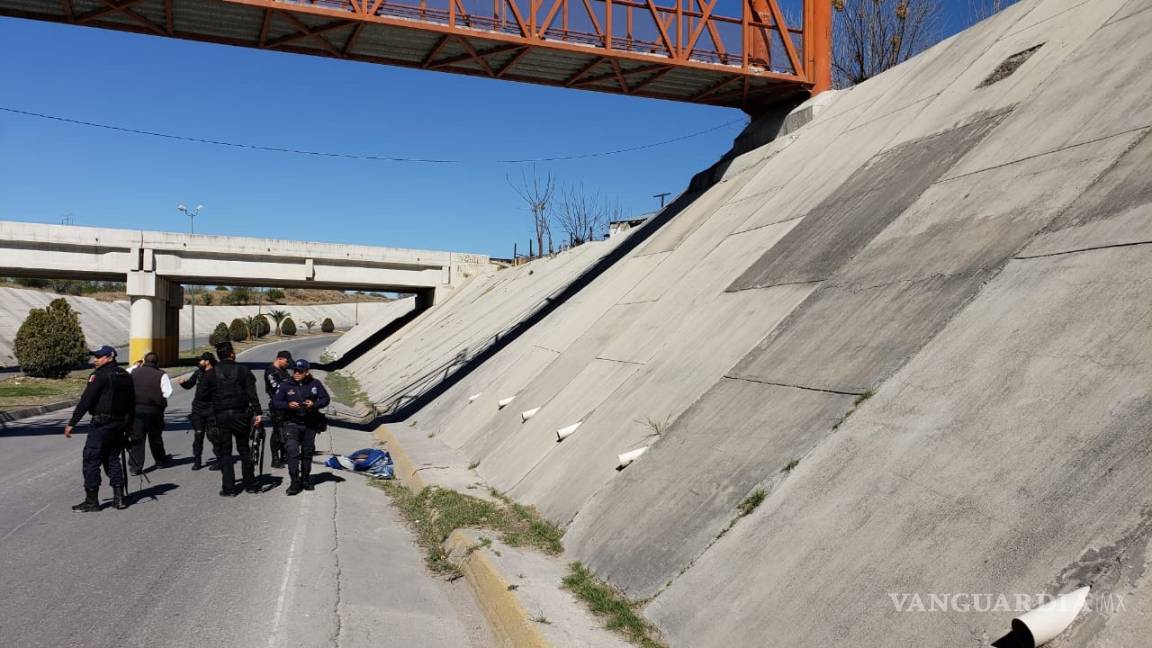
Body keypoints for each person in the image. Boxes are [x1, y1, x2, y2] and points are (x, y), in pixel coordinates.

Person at [64, 345, 135, 512]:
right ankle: (119, 498)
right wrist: (129, 427)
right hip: (119, 424)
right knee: (112, 458)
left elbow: (86, 400)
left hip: (101, 424)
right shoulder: (125, 375)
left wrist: (72, 423)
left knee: (91, 460)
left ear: (110, 357)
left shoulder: (99, 375)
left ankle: (91, 501)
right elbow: (132, 403)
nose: (95, 359)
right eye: (95, 356)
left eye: (99, 356)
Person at [271, 359, 330, 496]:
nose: (296, 373)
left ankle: (305, 479)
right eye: (295, 371)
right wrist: (288, 405)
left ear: (306, 372)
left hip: (310, 424)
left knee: (307, 452)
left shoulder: (315, 384)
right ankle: (294, 482)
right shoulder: (286, 385)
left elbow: (325, 399)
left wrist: (313, 404)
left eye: (300, 371)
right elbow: (276, 402)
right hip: (292, 423)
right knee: (292, 451)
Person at [211, 342, 263, 496]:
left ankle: (229, 488)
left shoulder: (211, 373)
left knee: (225, 453)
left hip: (221, 417)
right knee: (244, 450)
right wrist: (258, 412)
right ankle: (250, 485)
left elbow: (203, 397)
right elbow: (252, 394)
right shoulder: (243, 371)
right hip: (241, 416)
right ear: (232, 354)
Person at [127, 351, 174, 474]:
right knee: (155, 437)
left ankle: (135, 467)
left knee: (137, 438)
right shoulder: (161, 374)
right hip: (154, 411)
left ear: (144, 361)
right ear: (156, 362)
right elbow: (168, 392)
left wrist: (136, 366)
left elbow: (126, 372)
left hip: (136, 409)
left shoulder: (134, 372)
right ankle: (160, 461)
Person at [178, 352, 217, 471]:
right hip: (198, 409)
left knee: (213, 435)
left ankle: (220, 459)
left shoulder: (216, 373)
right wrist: (183, 383)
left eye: (201, 360)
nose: (199, 362)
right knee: (198, 435)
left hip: (211, 409)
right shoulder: (199, 372)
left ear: (207, 361)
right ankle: (197, 460)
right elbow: (190, 384)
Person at [262, 350, 293, 469]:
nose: (288, 364)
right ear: (279, 358)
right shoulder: (270, 371)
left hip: (287, 405)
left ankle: (284, 456)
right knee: (277, 431)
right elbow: (276, 388)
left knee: (286, 431)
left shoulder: (284, 371)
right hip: (277, 406)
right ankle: (275, 459)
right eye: (286, 361)